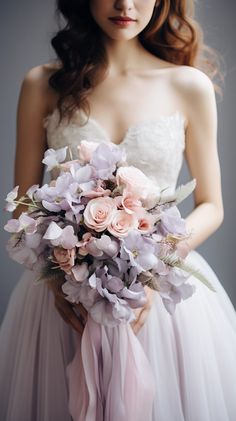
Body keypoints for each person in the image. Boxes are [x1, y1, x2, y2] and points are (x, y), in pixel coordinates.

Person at [1, 0, 236, 420]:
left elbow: (212, 206)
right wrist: (59, 279)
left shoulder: (189, 85)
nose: (125, 4)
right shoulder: (43, 83)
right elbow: (23, 204)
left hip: (160, 297)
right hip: (66, 297)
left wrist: (151, 267)